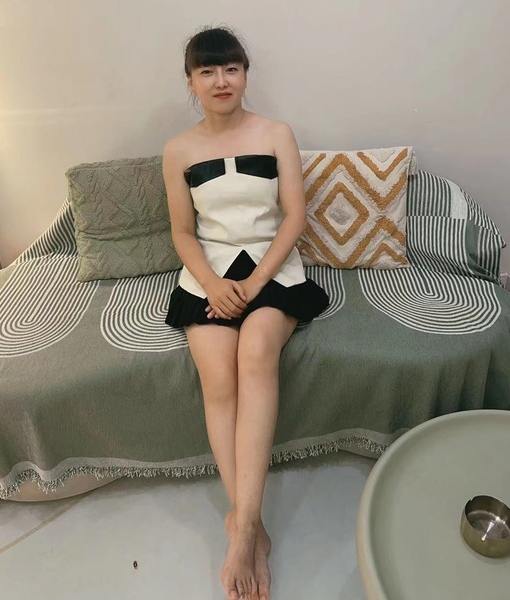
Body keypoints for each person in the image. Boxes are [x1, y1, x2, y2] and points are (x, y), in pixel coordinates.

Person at [163, 26, 329, 600]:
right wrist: (213, 285)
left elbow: (295, 217)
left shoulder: (277, 133)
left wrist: (255, 282)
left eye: (230, 68)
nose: (220, 80)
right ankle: (248, 528)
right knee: (218, 376)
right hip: (207, 277)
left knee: (256, 351)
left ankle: (243, 528)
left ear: (245, 74)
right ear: (191, 82)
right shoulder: (178, 150)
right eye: (207, 71)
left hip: (273, 271)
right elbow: (183, 232)